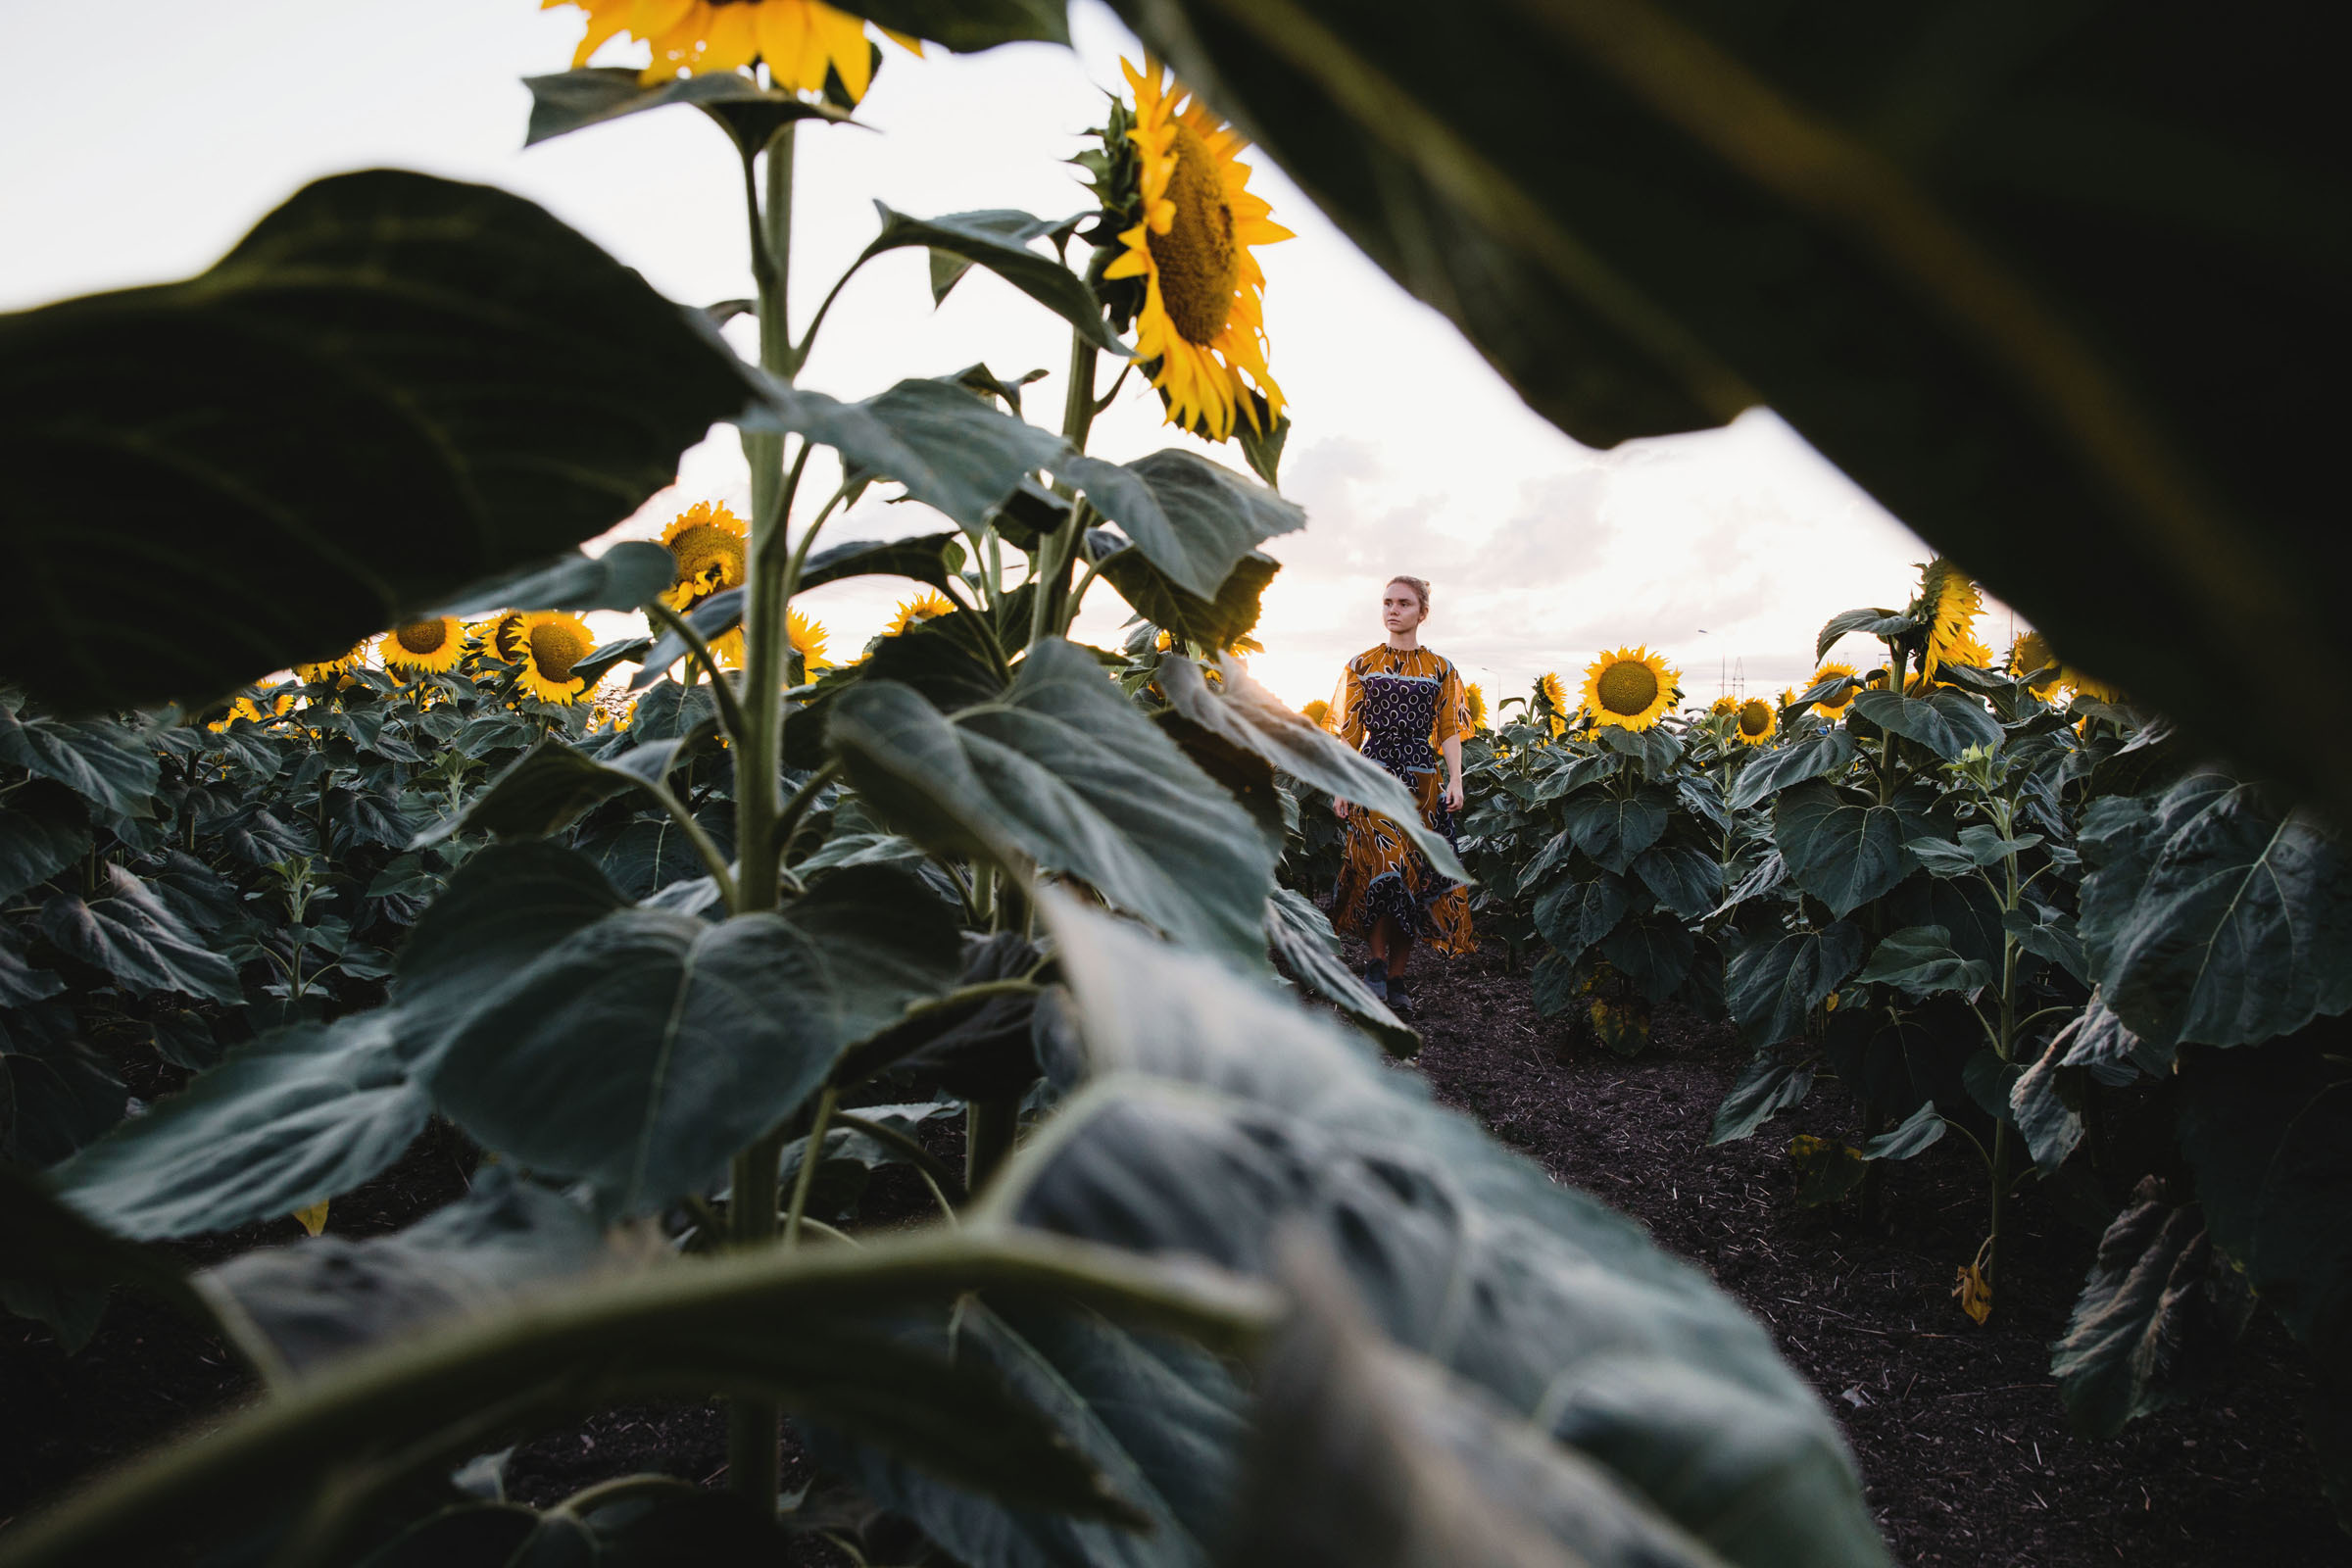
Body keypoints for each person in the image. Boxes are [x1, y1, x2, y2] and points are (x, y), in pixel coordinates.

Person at [1324, 575, 1476, 1012]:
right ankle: (1374, 965)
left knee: (1412, 877)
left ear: (1422, 613)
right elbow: (1349, 731)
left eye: (1404, 603)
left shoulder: (1441, 669)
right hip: (1374, 775)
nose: (1393, 610)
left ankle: (1397, 978)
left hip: (1421, 782)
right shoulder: (1361, 664)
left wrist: (1456, 780)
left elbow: (1449, 729)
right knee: (1383, 867)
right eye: (1387, 602)